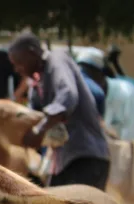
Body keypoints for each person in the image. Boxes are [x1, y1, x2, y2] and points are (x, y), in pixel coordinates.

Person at [8, 32, 109, 190]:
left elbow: (68, 95)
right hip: (63, 162)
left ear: (32, 52)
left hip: (85, 157)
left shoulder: (57, 59)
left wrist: (39, 130)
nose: (17, 69)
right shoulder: (36, 80)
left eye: (19, 62)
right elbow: (34, 113)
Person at [77, 47, 134, 142]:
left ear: (101, 74)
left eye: (90, 75)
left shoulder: (126, 94)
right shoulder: (88, 98)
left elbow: (133, 139)